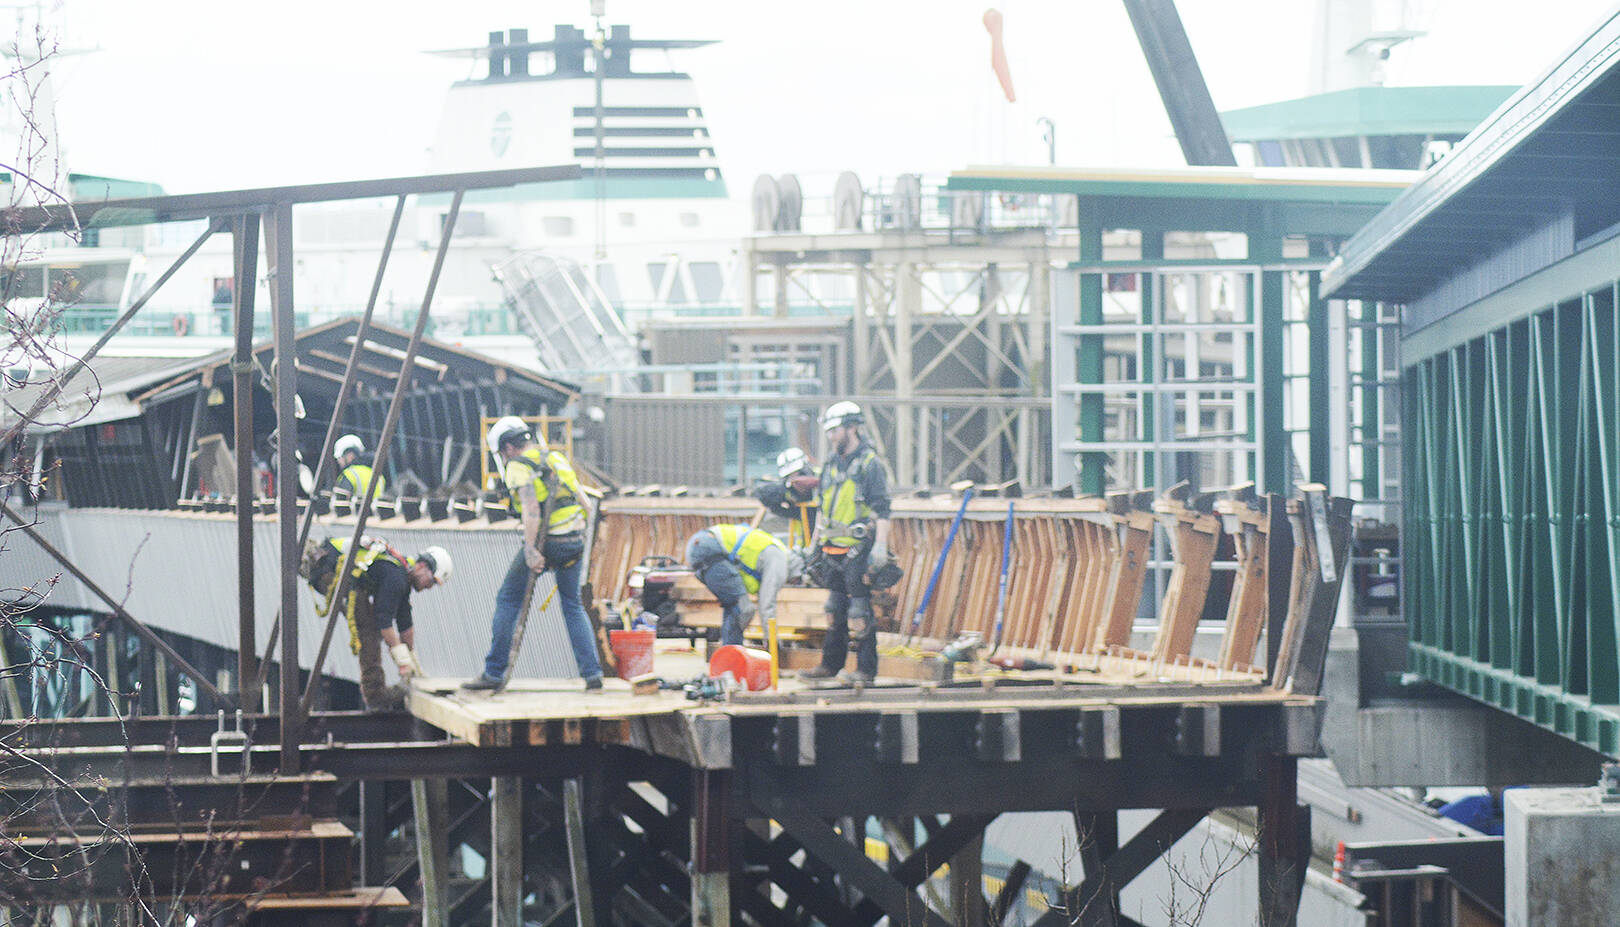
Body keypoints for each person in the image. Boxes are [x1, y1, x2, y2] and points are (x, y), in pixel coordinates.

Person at [463, 416, 604, 692]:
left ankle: (493, 672)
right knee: (573, 605)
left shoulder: (517, 466)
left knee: (508, 598)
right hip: (574, 540)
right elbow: (586, 503)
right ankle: (592, 674)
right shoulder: (555, 458)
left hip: (546, 540)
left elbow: (532, 511)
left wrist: (530, 551)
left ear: (506, 448)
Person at [801, 401, 893, 684]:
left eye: (835, 430)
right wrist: (813, 546)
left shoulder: (869, 464)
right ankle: (831, 665)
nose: (831, 436)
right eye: (829, 431)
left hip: (857, 548)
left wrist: (880, 546)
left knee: (859, 612)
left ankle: (865, 671)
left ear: (852, 428)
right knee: (834, 610)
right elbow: (822, 507)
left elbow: (882, 508)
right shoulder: (829, 463)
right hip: (830, 548)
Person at [303, 535, 452, 710]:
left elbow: (405, 624)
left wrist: (414, 664)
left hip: (335, 569)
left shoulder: (401, 575)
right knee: (369, 630)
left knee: (370, 624)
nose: (430, 586)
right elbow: (385, 622)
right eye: (432, 580)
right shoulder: (396, 577)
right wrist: (403, 662)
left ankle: (375, 692)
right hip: (329, 571)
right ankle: (375, 696)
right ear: (422, 566)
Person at [685, 523, 792, 646]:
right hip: (708, 547)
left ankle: (730, 653)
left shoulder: (771, 551)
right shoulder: (779, 561)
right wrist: (772, 643)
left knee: (734, 607)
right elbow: (767, 604)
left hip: (702, 546)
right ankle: (730, 655)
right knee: (743, 609)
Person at [754, 446, 820, 546]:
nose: (795, 479)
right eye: (790, 476)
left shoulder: (823, 478)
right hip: (804, 545)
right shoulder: (789, 491)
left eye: (797, 474)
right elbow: (762, 494)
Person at [333, 434, 386, 509]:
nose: (338, 461)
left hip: (356, 518)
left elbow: (340, 505)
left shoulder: (349, 475)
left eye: (340, 457)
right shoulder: (377, 474)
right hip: (376, 518)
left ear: (350, 456)